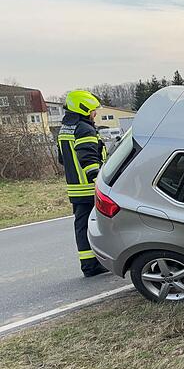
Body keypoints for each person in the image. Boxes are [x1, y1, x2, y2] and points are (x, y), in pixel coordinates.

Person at [58, 90, 109, 277]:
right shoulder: (84, 129)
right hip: (89, 187)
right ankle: (97, 263)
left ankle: (88, 264)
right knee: (100, 224)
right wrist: (98, 180)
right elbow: (88, 157)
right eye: (93, 110)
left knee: (82, 226)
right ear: (84, 109)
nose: (95, 114)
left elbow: (62, 159)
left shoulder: (65, 129)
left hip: (75, 188)